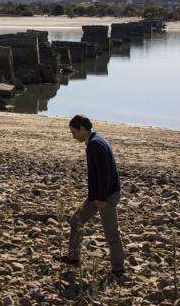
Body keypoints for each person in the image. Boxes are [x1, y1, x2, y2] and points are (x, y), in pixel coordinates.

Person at [55, 114, 125, 278]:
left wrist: (101, 198)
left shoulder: (95, 144)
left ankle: (118, 269)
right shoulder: (97, 138)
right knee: (76, 220)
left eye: (73, 132)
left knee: (112, 234)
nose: (73, 137)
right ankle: (73, 258)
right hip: (99, 195)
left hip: (105, 196)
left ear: (82, 129)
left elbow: (104, 173)